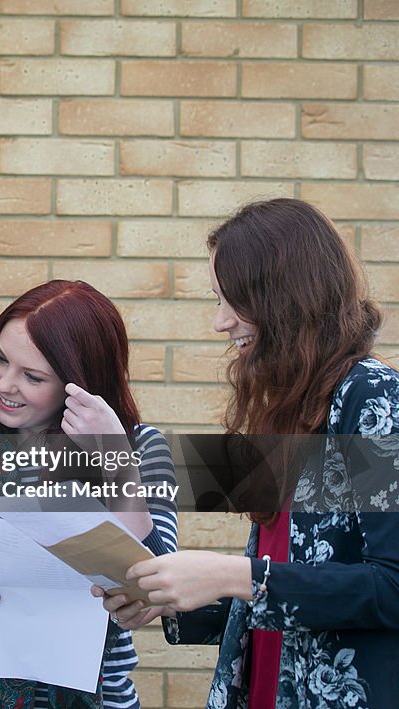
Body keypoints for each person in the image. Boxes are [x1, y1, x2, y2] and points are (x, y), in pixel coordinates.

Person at [100, 198, 399, 708]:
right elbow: (290, 584)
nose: (220, 323)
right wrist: (172, 601)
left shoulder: (372, 395)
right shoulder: (298, 409)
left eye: (231, 300)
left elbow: (390, 586)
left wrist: (228, 574)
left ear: (284, 297)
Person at [0, 280, 178, 709]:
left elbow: (159, 586)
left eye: (33, 376)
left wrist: (114, 458)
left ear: (77, 382)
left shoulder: (138, 448)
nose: (5, 384)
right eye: (0, 359)